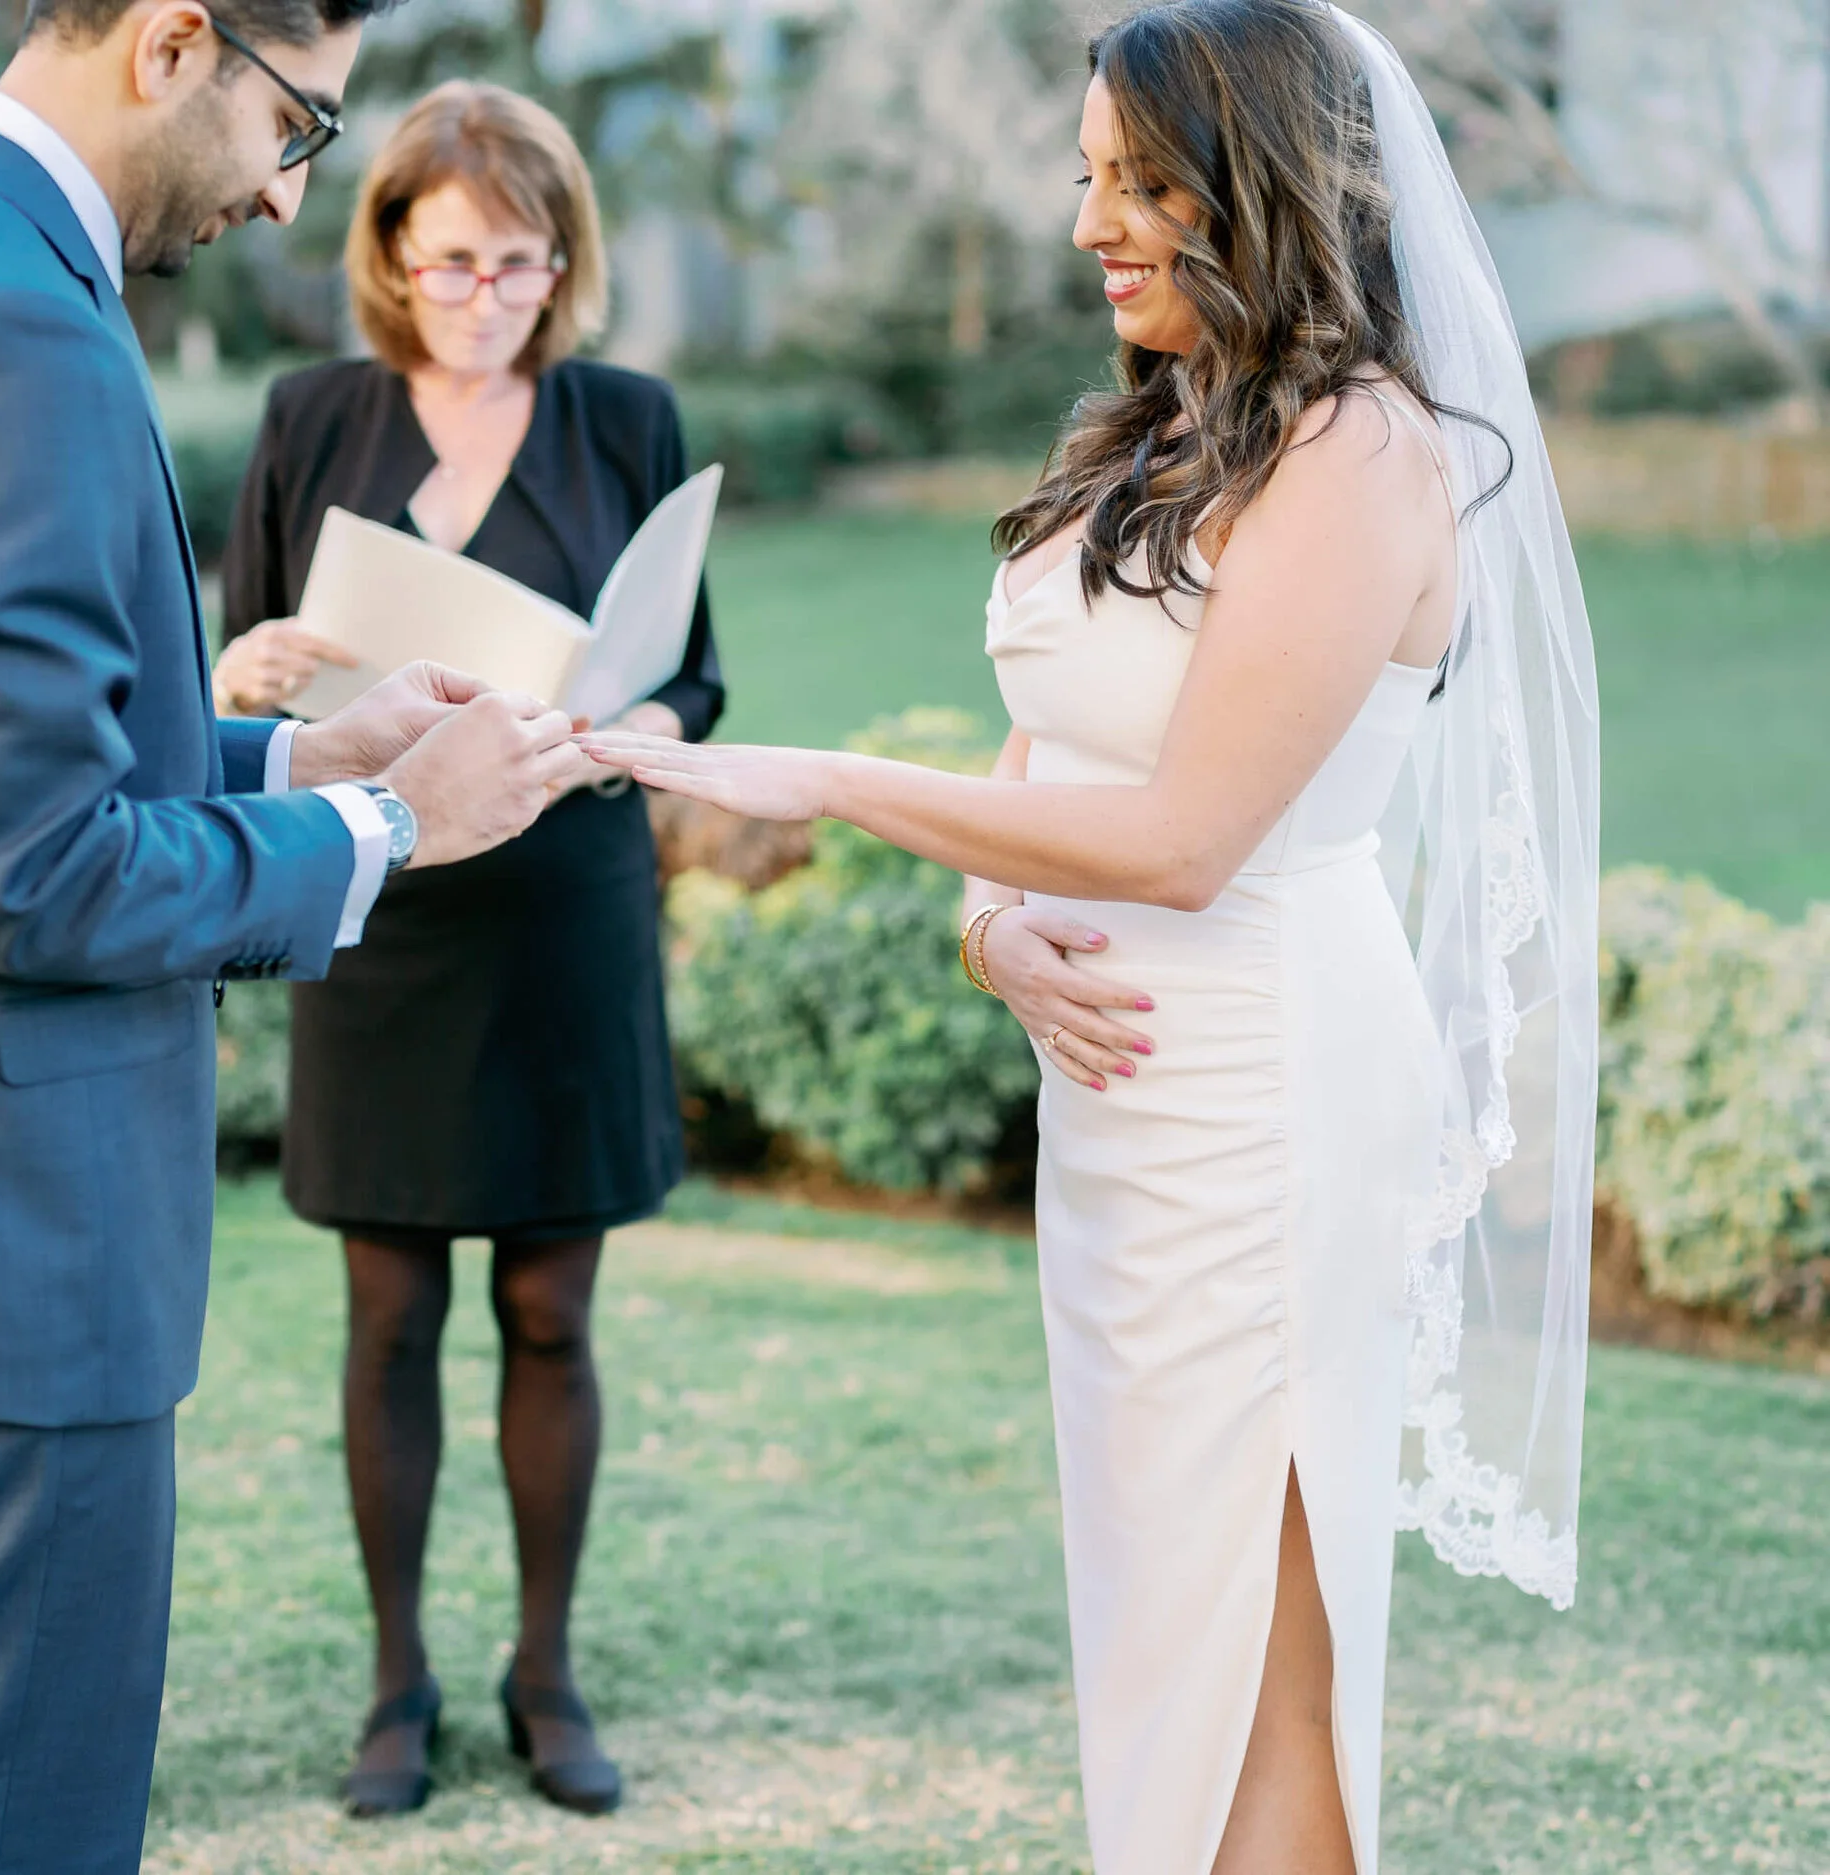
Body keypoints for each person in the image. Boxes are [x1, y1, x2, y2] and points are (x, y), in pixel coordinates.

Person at [582, 4, 1603, 1870]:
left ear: (1261, 187)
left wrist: (825, 780)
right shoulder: (1162, 423)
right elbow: (1063, 736)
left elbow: (1190, 836)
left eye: (1139, 184)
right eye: (1088, 178)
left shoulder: (1364, 455)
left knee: (1262, 1657)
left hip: (1271, 1093)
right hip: (1126, 1104)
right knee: (1152, 1621)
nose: (1090, 226)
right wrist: (988, 921)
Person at [0, 2, 601, 1869]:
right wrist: (397, 822)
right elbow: (30, 869)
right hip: (7, 1240)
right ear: (177, 42)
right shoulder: (17, 326)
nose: (282, 196)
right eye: (299, 124)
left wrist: (296, 750)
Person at [215, 80, 724, 1821]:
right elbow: (240, 671)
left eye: (517, 265)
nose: (484, 297)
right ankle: (396, 1683)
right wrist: (261, 669)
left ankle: (546, 1671)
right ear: (388, 256)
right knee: (385, 1313)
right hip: (378, 907)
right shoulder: (310, 419)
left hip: (564, 910)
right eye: (450, 264)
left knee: (552, 1307)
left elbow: (696, 668)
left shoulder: (627, 422)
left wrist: (637, 713)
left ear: (561, 263)